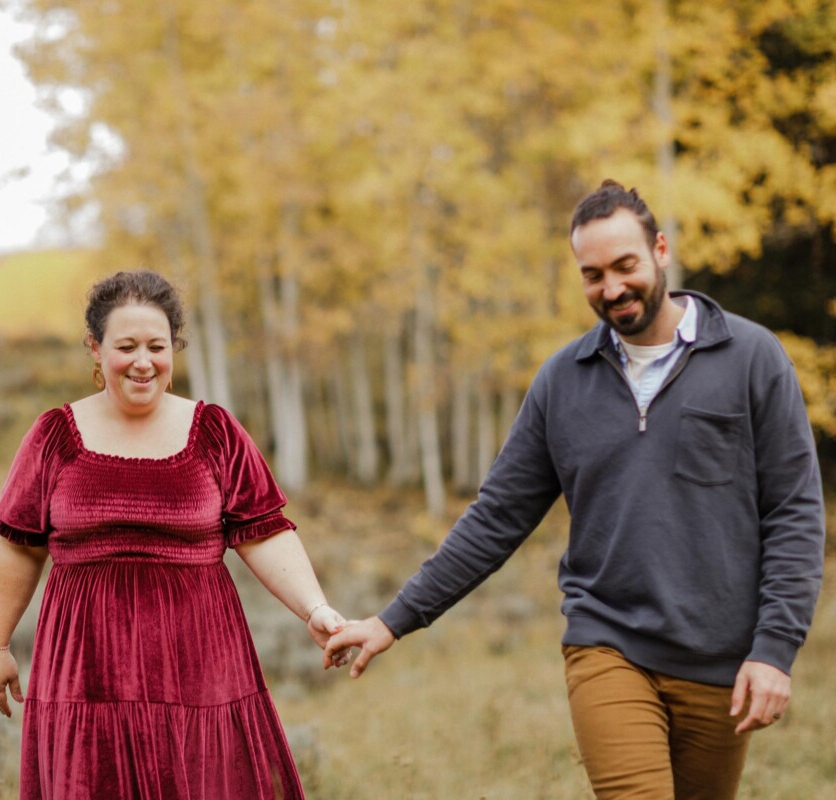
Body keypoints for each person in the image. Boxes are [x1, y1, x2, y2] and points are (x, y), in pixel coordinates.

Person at [324, 180, 825, 799]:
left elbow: (794, 514)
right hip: (607, 642)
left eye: (625, 266)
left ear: (661, 250)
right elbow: (496, 518)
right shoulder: (563, 382)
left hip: (719, 660)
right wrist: (392, 621)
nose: (611, 288)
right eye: (593, 274)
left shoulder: (752, 358)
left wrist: (774, 648)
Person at [0, 269, 344, 799]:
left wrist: (316, 609)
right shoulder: (53, 436)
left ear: (174, 349)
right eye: (126, 346)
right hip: (85, 669)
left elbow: (263, 533)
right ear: (96, 349)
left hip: (200, 666)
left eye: (157, 345)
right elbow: (19, 545)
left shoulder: (215, 431)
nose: (143, 361)